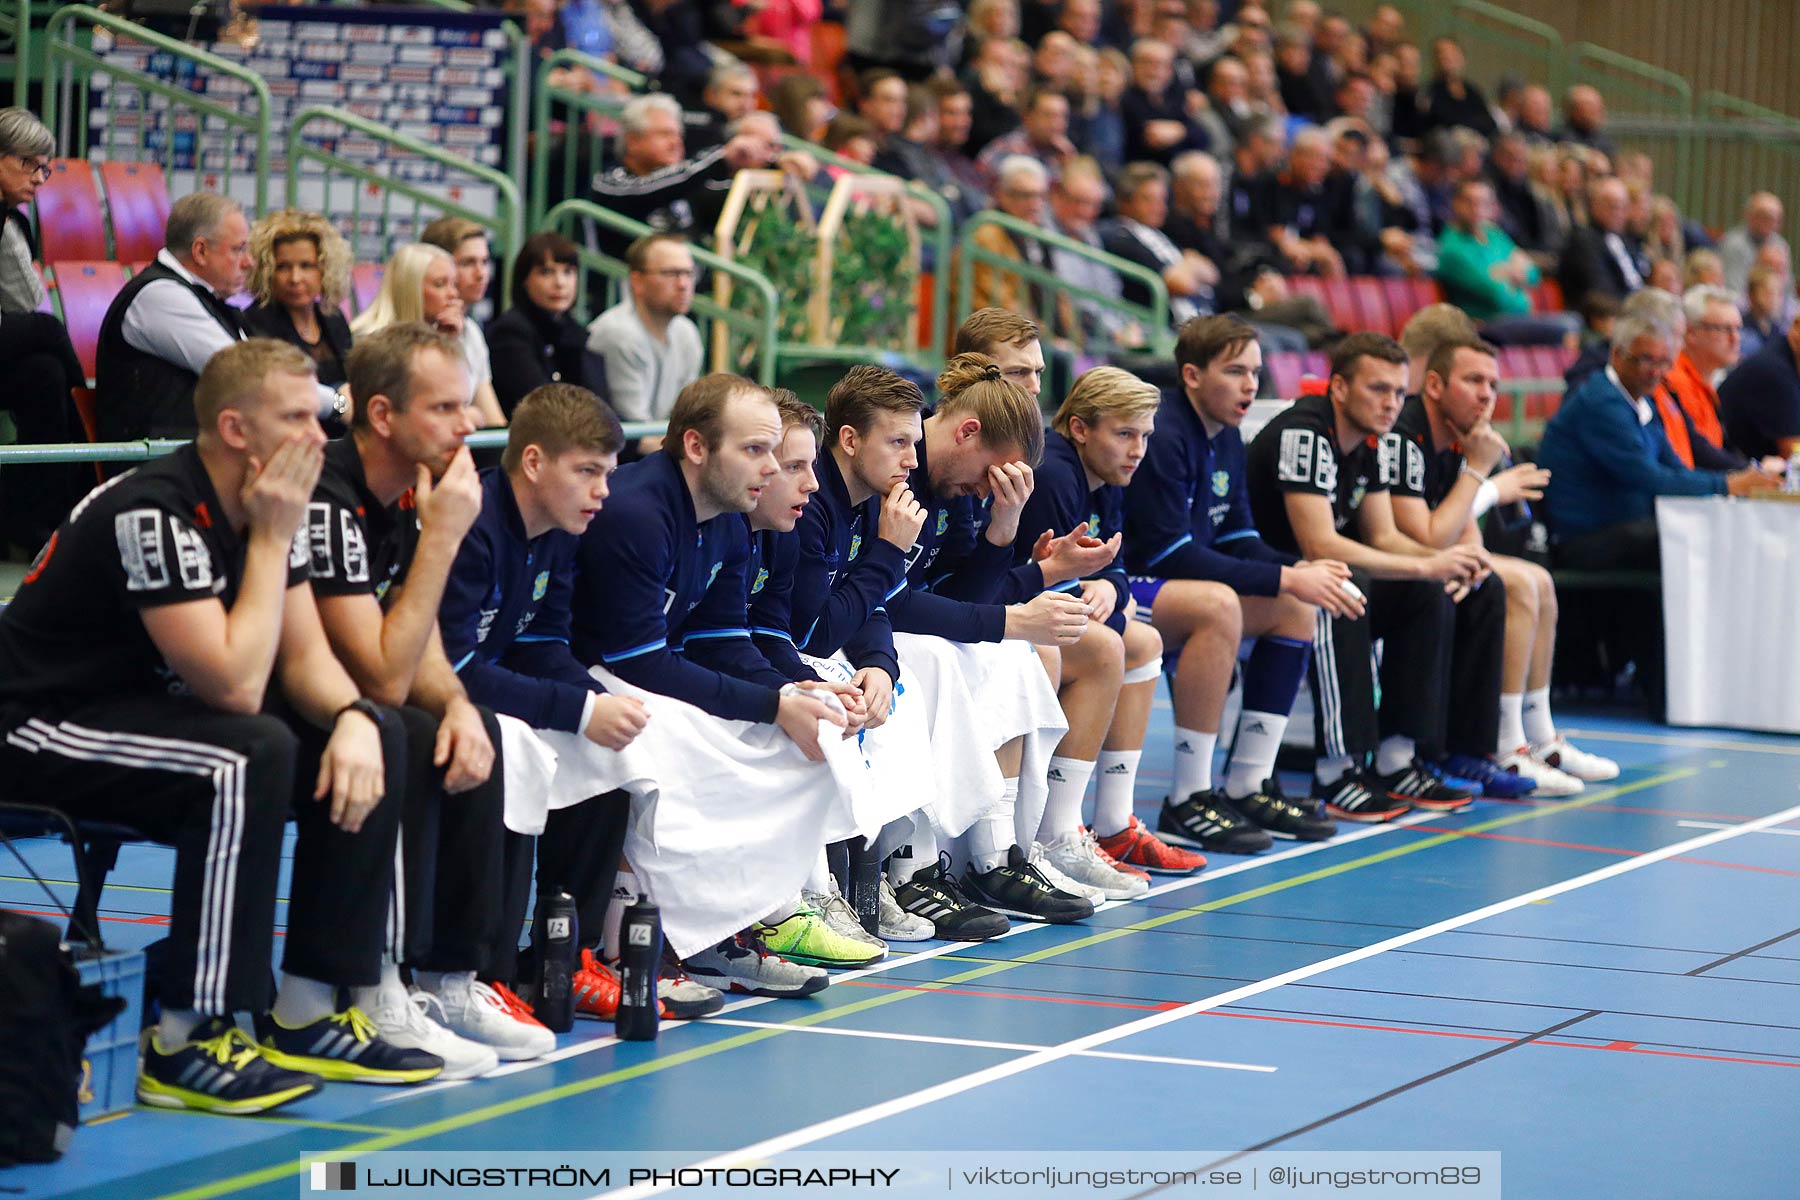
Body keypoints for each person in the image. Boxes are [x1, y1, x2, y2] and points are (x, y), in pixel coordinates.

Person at [0, 340, 431, 1113]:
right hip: (36, 723)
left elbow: (303, 662)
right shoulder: (156, 510)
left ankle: (306, 1008)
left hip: (141, 715)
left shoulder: (273, 503)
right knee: (246, 751)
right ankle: (185, 1039)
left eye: (319, 414)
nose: (317, 434)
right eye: (296, 417)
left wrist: (357, 717)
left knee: (381, 730)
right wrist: (268, 541)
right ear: (236, 429)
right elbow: (234, 687)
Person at [570, 373, 869, 996]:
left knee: (801, 739)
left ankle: (727, 930)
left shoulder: (731, 521)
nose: (769, 469)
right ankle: (634, 945)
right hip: (592, 680)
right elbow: (640, 660)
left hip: (647, 676)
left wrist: (798, 690)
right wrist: (773, 702)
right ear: (698, 448)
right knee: (674, 744)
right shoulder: (635, 512)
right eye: (755, 451)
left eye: (772, 453)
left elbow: (722, 639)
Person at [306, 323, 552, 1075]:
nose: (470, 421)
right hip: (278, 700)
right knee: (404, 730)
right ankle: (377, 979)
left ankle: (448, 980)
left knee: (471, 722)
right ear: (383, 416)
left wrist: (456, 705)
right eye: (445, 407)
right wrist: (442, 536)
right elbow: (380, 673)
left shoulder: (412, 492)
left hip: (354, 691)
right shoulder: (332, 496)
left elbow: (422, 650)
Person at [437, 382, 722, 1022]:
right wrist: (579, 710)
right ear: (534, 463)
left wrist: (595, 703)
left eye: (609, 473)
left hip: (496, 686)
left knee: (608, 746)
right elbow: (453, 669)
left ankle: (567, 953)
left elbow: (542, 641)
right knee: (518, 746)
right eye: (588, 472)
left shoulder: (561, 530)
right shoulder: (476, 527)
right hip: (440, 697)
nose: (602, 491)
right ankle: (484, 971)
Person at [1122, 316, 1348, 850]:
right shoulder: (1165, 434)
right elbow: (1170, 553)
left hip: (1175, 582)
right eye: (1235, 371)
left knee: (1296, 606)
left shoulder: (1226, 437)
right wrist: (1286, 573)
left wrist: (1303, 576)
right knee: (1220, 605)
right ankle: (1189, 797)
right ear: (1193, 375)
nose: (1250, 385)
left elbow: (1240, 534)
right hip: (1129, 582)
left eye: (1255, 372)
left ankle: (1248, 783)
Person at [1246, 333, 1488, 822]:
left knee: (1427, 591)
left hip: (1317, 572)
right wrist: (1426, 561)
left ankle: (1398, 758)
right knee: (1342, 586)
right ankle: (1337, 769)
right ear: (1339, 388)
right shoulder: (1307, 432)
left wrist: (1441, 562)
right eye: (1378, 390)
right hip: (1268, 572)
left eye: (1399, 392)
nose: (1392, 403)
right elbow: (1319, 545)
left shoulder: (1372, 441)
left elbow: (1383, 536)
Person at [1388, 333, 1616, 796]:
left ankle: (1540, 737)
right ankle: (1505, 745)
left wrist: (1473, 555)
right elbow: (1427, 536)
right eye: (1474, 381)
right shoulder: (1407, 435)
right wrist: (1479, 470)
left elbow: (1464, 535)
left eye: (1492, 384)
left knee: (1536, 579)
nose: (1487, 395)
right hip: (1400, 564)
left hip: (1436, 556)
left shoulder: (1460, 436)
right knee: (1513, 585)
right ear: (1434, 385)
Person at [1015, 365, 1205, 877]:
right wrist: (1095, 589)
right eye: (1124, 433)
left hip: (1051, 607)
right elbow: (1041, 577)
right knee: (1108, 648)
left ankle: (1115, 822)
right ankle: (1057, 831)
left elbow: (1115, 566)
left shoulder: (1107, 476)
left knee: (1143, 640)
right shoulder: (1056, 473)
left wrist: (1108, 587)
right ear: (1080, 428)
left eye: (1144, 435)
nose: (1138, 449)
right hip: (1008, 612)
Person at [1540, 316, 1778, 572]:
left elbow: (1674, 466)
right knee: (1696, 538)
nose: (1656, 371)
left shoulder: (1642, 399)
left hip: (1624, 526)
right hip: (1584, 538)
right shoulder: (1602, 403)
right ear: (1617, 355)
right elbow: (1650, 478)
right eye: (1645, 359)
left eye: (1664, 362)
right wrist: (1728, 484)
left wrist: (1734, 481)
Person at [97, 193, 333, 442]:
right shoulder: (159, 296)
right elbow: (244, 375)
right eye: (238, 249)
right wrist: (338, 403)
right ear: (200, 251)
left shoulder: (207, 297)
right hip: (157, 469)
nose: (249, 262)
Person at [0, 106, 91, 552]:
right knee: (49, 330)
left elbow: (21, 299)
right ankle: (94, 437)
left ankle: (34, 518)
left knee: (44, 375)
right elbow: (29, 310)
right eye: (27, 164)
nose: (38, 177)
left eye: (44, 168)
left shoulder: (7, 219)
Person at [351, 243, 506, 427]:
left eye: (454, 284)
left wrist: (449, 345)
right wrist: (471, 416)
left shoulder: (467, 332)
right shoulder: (372, 340)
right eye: (440, 284)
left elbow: (491, 418)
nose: (453, 294)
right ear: (410, 289)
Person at [585, 232, 705, 454]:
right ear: (637, 281)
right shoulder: (618, 333)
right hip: (617, 458)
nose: (683, 284)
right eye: (671, 273)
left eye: (689, 273)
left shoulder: (687, 332)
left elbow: (685, 415)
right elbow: (637, 436)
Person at [1434, 179, 1580, 345]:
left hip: (1514, 320)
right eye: (1469, 202)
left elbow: (1533, 274)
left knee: (1573, 321)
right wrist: (1515, 274)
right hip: (1484, 325)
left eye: (1483, 203)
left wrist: (1502, 273)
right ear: (1456, 204)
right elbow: (1495, 294)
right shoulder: (1452, 248)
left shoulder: (1494, 235)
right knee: (1567, 325)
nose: (1477, 209)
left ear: (1492, 207)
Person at [484, 231, 608, 418]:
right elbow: (542, 409)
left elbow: (599, 405)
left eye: (568, 272)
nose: (560, 283)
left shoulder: (574, 331)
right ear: (524, 280)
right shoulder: (510, 332)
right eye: (546, 272)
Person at [242, 209, 354, 406]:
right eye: (283, 267)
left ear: (325, 268)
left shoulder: (333, 317)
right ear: (266, 271)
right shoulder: (255, 321)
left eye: (306, 266)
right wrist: (341, 403)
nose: (295, 278)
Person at [1657, 286, 1757, 470]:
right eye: (1724, 329)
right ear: (1691, 332)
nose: (1735, 338)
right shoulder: (1677, 381)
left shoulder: (1703, 380)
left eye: (1737, 328)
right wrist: (1752, 471)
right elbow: (1701, 455)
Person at [1719, 311, 1800, 462]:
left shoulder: (1786, 355)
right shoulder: (1776, 371)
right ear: (1796, 325)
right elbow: (1794, 453)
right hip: (1734, 470)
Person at [1558, 176, 1648, 307]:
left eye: (1623, 207)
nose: (1619, 213)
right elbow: (1599, 292)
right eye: (1613, 206)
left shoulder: (1625, 240)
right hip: (1603, 313)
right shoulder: (1584, 241)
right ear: (1595, 205)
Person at [420, 217, 497, 326]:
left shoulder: (471, 328)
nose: (481, 274)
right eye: (468, 263)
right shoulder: (411, 335)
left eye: (484, 262)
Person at [1717, 192, 1787, 299]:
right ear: (1750, 216)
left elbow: (1788, 289)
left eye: (1776, 219)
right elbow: (1733, 290)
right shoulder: (1733, 244)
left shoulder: (1781, 245)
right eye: (1765, 217)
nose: (1771, 223)